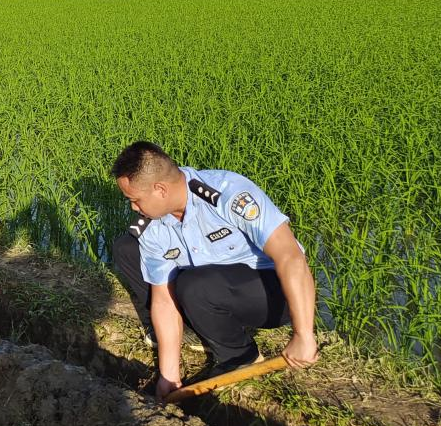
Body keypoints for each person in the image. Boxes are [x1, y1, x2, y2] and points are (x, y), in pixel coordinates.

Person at [109, 141, 319, 400]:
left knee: (195, 285)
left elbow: (291, 256)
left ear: (160, 189)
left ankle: (241, 356)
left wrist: (303, 335)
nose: (133, 208)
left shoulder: (228, 193)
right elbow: (163, 298)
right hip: (214, 288)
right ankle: (199, 330)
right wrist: (169, 375)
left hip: (271, 294)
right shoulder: (153, 226)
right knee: (130, 250)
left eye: (135, 200)